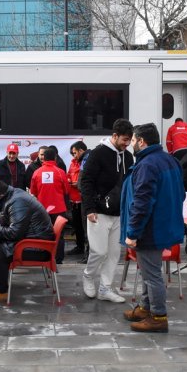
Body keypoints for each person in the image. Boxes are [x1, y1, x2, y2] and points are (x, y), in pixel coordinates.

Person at [120, 123, 184, 333]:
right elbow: (181, 194)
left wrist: (132, 233)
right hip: (162, 226)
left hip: (150, 229)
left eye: (135, 140)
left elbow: (142, 202)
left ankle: (158, 316)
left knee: (152, 275)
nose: (132, 144)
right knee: (149, 272)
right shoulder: (170, 160)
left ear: (142, 141)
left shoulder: (147, 165)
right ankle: (145, 308)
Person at [0, 180, 54, 303]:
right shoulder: (11, 196)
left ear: (1, 195)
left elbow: (15, 232)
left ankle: (1, 290)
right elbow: (5, 216)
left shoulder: (18, 202)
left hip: (37, 246)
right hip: (28, 238)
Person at [79, 118, 135, 303]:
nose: (126, 144)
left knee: (113, 254)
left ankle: (105, 288)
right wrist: (89, 208)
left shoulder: (127, 156)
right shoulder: (98, 153)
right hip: (98, 211)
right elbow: (86, 181)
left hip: (119, 213)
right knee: (99, 251)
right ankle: (88, 275)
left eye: (129, 140)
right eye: (124, 140)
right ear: (114, 136)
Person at [30, 147, 69, 264]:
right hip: (59, 209)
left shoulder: (36, 173)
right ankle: (58, 259)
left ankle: (45, 257)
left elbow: (33, 192)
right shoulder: (60, 172)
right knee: (59, 235)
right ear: (55, 158)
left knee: (43, 234)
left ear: (43, 159)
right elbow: (66, 190)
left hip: (42, 210)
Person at [67, 141, 89, 256]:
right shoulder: (72, 163)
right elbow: (68, 175)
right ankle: (79, 246)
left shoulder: (86, 161)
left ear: (81, 151)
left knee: (86, 226)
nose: (74, 156)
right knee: (77, 225)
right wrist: (70, 181)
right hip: (74, 199)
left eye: (75, 153)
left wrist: (78, 184)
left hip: (83, 199)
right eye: (72, 154)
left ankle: (87, 250)